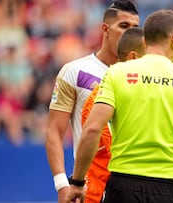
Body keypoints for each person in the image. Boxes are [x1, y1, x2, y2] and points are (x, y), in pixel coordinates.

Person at [66, 9, 173, 203]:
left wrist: (77, 182)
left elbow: (91, 129)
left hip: (122, 186)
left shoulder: (116, 74)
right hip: (167, 188)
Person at [44, 1, 139, 203]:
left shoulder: (143, 75)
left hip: (135, 184)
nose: (130, 34)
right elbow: (54, 131)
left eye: (135, 29)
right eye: (124, 26)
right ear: (105, 29)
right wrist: (62, 185)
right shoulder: (76, 71)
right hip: (89, 186)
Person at [81, 27, 145, 203]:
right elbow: (101, 136)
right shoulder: (103, 93)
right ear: (134, 57)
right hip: (102, 192)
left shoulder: (149, 94)